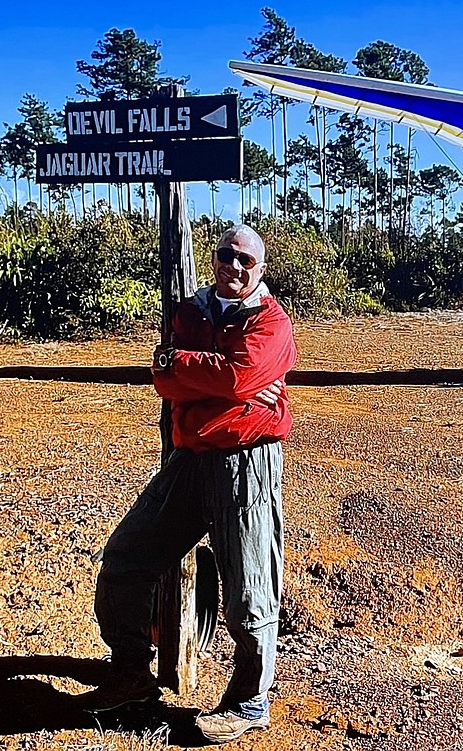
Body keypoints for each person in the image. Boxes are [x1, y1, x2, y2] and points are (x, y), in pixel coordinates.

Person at [81, 224, 296, 744]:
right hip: (188, 458)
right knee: (127, 555)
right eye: (227, 255)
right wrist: (212, 378)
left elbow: (236, 378)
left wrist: (191, 371)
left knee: (249, 586)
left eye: (247, 260)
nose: (235, 267)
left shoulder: (271, 321)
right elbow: (171, 377)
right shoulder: (190, 313)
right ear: (214, 257)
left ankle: (249, 701)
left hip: (246, 462)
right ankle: (131, 671)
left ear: (260, 268)